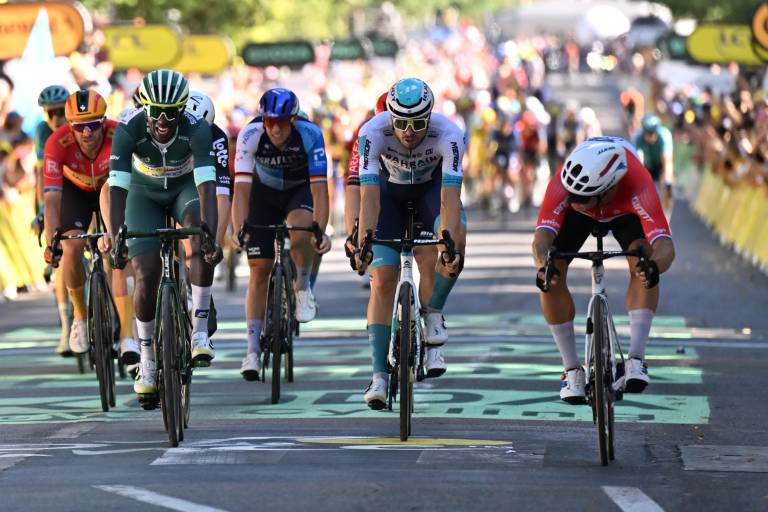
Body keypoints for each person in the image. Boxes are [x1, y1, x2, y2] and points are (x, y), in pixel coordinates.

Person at [532, 136, 675, 404]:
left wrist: (654, 266)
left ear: (608, 189)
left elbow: (665, 245)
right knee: (551, 274)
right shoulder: (565, 185)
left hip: (624, 212)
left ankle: (636, 359)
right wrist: (543, 266)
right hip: (580, 219)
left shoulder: (637, 183)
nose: (575, 201)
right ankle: (572, 369)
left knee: (642, 260)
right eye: (572, 196)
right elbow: (541, 239)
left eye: (582, 198)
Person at [105, 69, 221, 399]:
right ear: (146, 108)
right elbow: (117, 189)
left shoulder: (197, 130)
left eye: (172, 112)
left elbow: (207, 186)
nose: (163, 120)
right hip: (145, 193)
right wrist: (117, 237)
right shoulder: (129, 128)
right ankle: (148, 359)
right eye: (156, 111)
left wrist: (209, 232)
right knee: (146, 274)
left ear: (183, 109)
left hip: (185, 190)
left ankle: (199, 331)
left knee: (199, 241)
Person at [352, 78, 466, 409]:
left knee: (449, 244)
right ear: (390, 117)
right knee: (383, 279)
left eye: (417, 123)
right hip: (389, 197)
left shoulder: (449, 134)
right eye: (401, 123)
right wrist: (364, 243)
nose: (409, 131)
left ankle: (433, 314)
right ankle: (379, 376)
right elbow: (368, 198)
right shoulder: (372, 133)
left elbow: (449, 200)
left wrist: (448, 244)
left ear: (431, 116)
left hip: (431, 194)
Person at [232, 88, 332, 381]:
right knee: (258, 269)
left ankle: (302, 286)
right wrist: (240, 228)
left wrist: (320, 230)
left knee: (302, 233)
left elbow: (319, 190)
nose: (275, 128)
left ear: (293, 120)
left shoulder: (310, 134)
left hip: (298, 192)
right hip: (263, 196)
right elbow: (240, 191)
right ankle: (252, 350)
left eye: (282, 122)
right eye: (269, 121)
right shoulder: (250, 136)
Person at [42, 89, 138, 360]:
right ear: (70, 126)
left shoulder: (119, 134)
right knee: (71, 249)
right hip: (76, 192)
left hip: (114, 188)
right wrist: (52, 242)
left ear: (104, 122)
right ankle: (80, 320)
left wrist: (114, 231)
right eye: (79, 126)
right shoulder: (55, 143)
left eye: (94, 124)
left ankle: (127, 336)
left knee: (119, 252)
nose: (87, 133)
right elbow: (51, 200)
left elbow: (132, 184)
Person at [34, 85, 71, 356]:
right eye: (52, 113)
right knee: (63, 258)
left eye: (61, 112)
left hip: (86, 189)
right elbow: (40, 176)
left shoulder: (81, 125)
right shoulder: (42, 132)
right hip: (59, 191)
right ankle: (67, 328)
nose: (57, 119)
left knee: (106, 251)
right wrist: (39, 209)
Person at [632, 113, 674, 216]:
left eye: (653, 133)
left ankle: (666, 218)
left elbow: (667, 159)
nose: (651, 136)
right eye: (648, 133)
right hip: (647, 164)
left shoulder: (664, 135)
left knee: (668, 187)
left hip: (661, 163)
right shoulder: (637, 137)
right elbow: (639, 160)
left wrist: (667, 181)